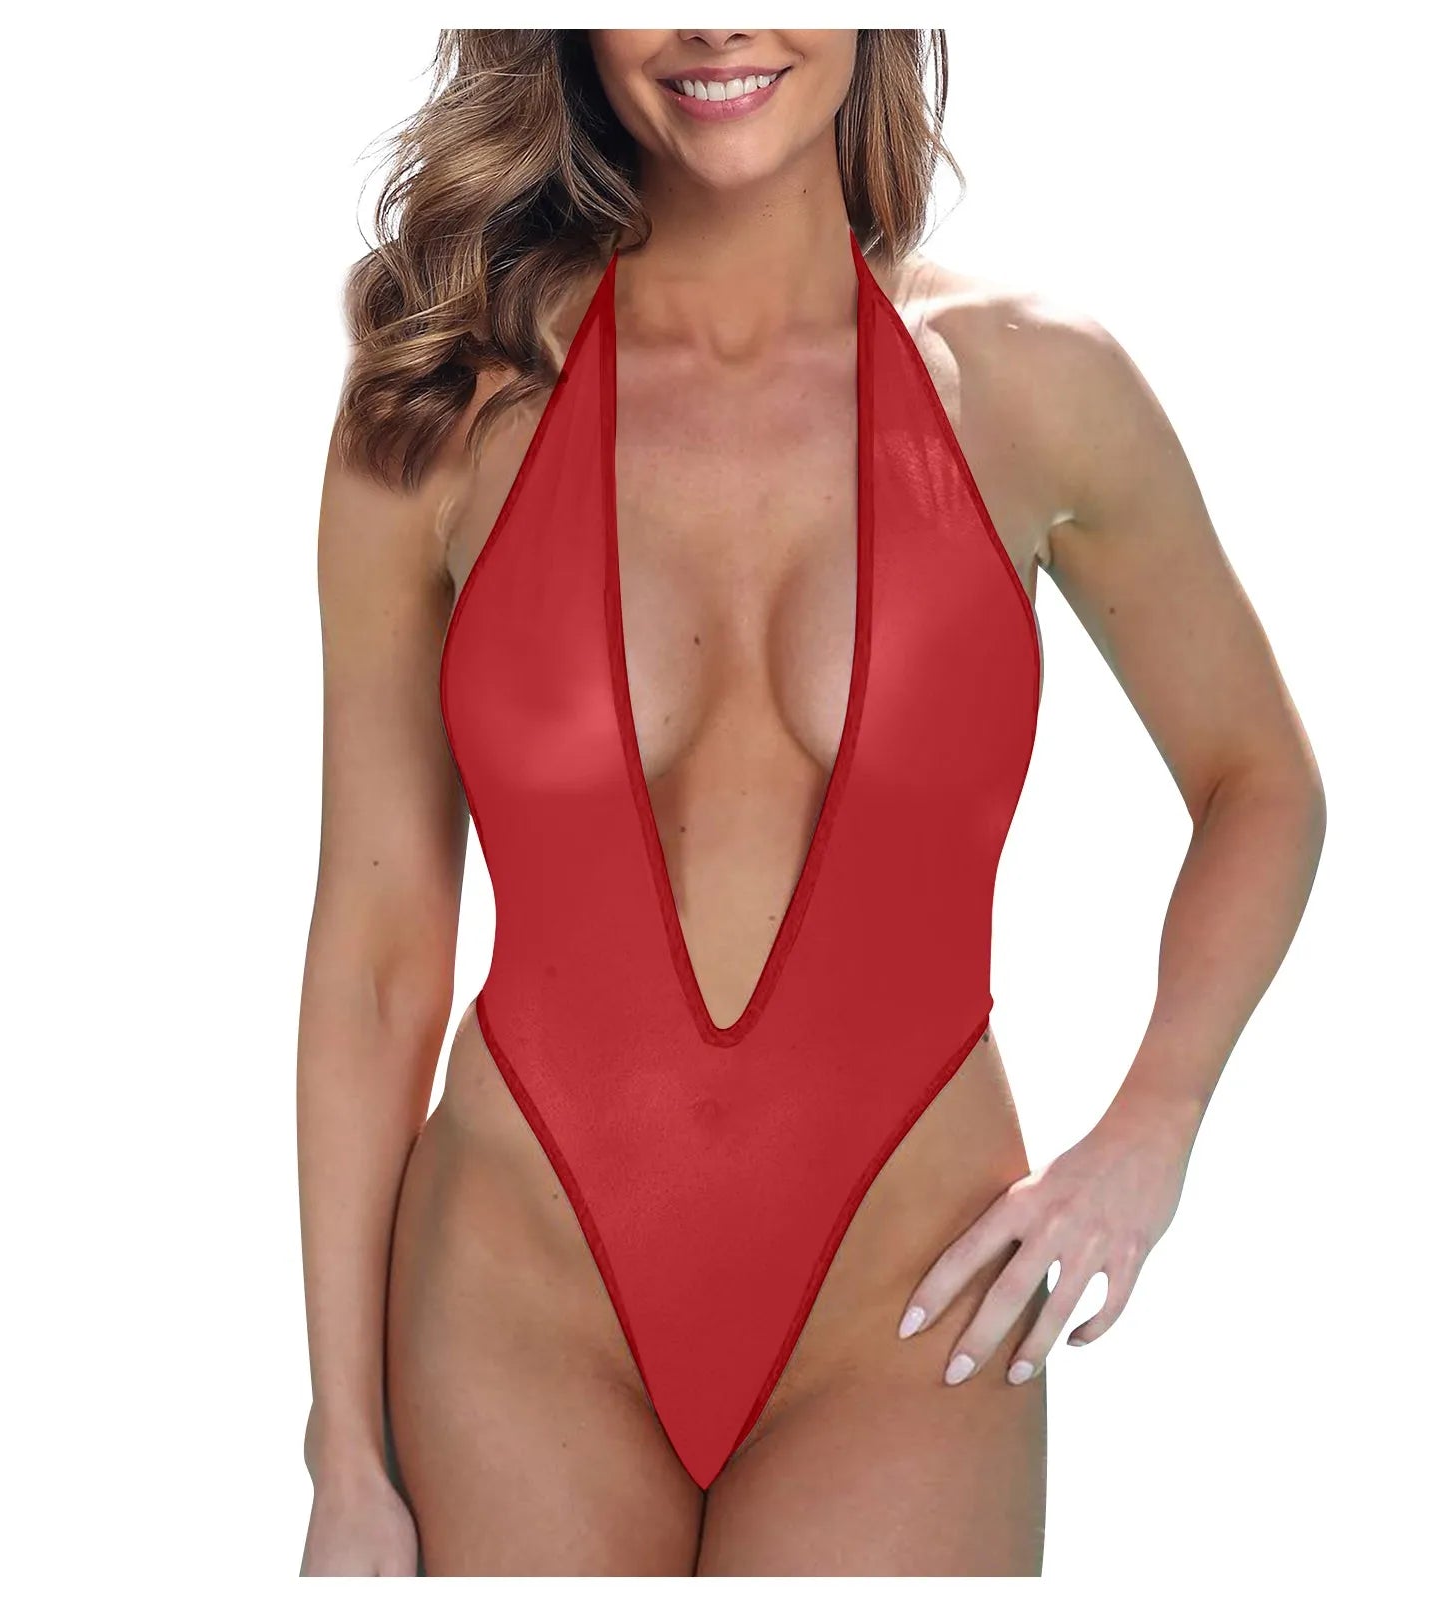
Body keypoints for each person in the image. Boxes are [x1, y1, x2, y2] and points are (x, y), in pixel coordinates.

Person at [296, 27, 1326, 1577]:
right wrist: (342, 1447)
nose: (719, 26)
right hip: (516, 1305)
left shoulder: (1039, 388)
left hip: (906, 1316)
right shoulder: (443, 406)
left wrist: (1155, 1123)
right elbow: (378, 956)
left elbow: (1262, 783)